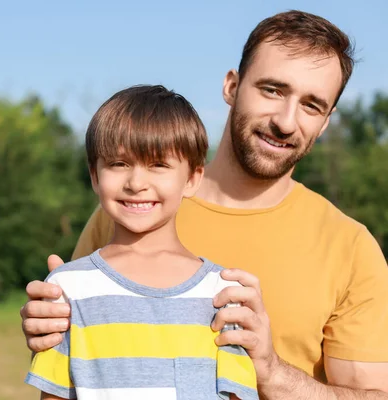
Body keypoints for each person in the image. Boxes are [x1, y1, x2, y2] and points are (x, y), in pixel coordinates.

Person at [21, 9, 388, 398]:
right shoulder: (133, 210)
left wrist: (273, 373)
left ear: (326, 121)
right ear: (232, 86)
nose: (285, 120)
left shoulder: (350, 247)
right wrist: (47, 326)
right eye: (272, 90)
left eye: (311, 105)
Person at [25, 84, 258, 400]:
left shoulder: (223, 294)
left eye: (158, 165)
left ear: (192, 178)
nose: (136, 183)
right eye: (119, 164)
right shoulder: (66, 289)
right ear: (94, 175)